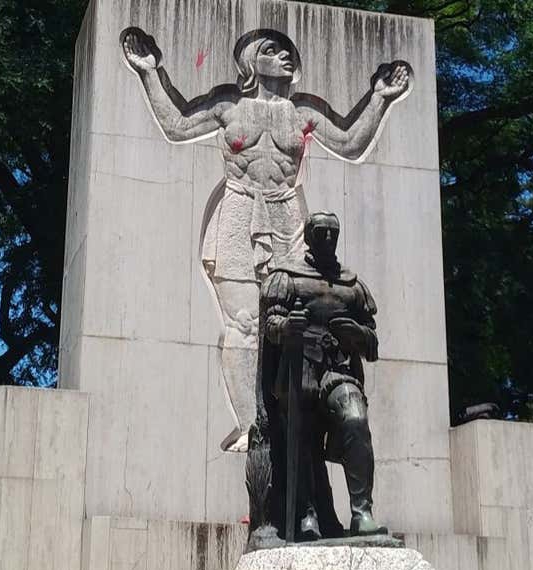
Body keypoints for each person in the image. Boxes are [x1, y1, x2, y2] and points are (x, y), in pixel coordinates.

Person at [121, 27, 411, 451]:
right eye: (270, 51)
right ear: (250, 65)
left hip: (288, 215)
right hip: (238, 212)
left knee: (297, 324)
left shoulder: (301, 113)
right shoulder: (229, 107)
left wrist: (380, 98)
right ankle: (247, 426)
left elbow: (349, 143)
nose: (284, 56)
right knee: (244, 324)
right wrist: (150, 72)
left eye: (287, 50)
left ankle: (302, 424)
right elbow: (178, 126)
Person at [249, 211, 385, 542]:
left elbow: (372, 343)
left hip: (338, 371)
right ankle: (306, 513)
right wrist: (288, 327)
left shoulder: (352, 286)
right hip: (300, 371)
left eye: (333, 233)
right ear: (309, 236)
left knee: (355, 420)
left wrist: (356, 333)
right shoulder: (288, 278)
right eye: (321, 232)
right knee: (302, 440)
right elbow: (271, 325)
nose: (327, 239)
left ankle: (362, 512)